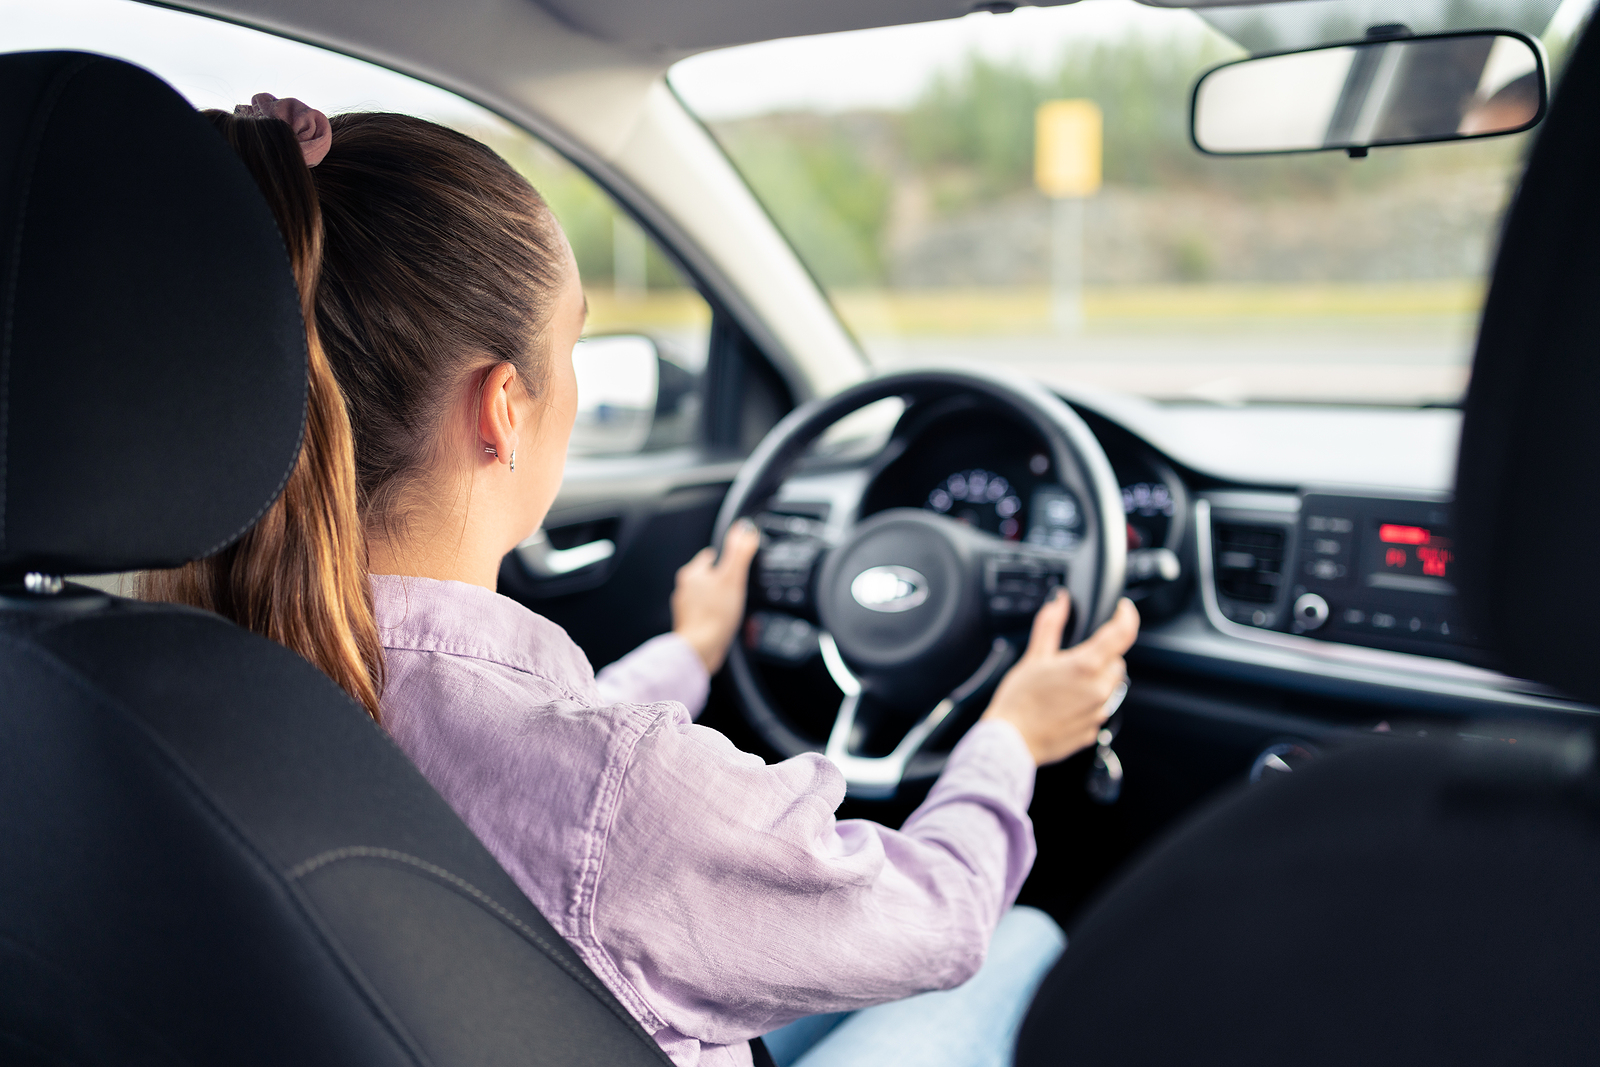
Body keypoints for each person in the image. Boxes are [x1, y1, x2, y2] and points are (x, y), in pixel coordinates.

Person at [155, 96, 1140, 1067]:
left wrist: (689, 651)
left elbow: (544, 771)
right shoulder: (616, 788)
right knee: (1021, 943)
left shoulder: (182, 676)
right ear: (502, 406)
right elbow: (937, 916)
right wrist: (1011, 737)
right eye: (572, 345)